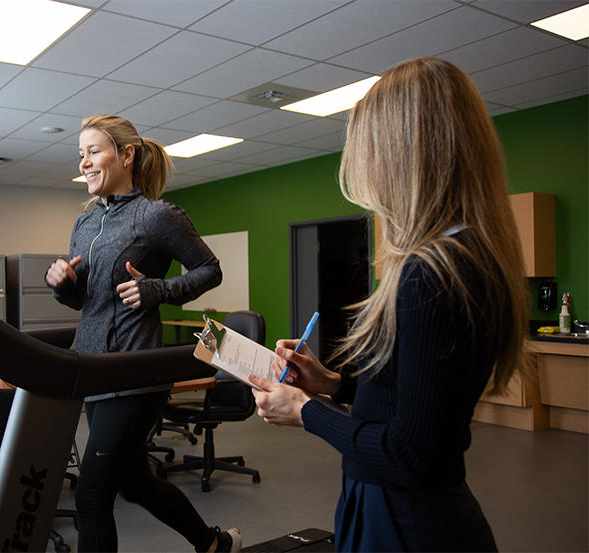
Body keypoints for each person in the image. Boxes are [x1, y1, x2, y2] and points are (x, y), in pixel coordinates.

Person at [250, 58, 528, 552]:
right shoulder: (469, 255)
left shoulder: (432, 273)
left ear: (402, 153)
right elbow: (418, 397)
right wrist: (334, 383)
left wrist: (306, 410)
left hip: (404, 520)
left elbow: (412, 455)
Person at [45, 114, 240, 552]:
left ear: (126, 154)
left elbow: (210, 270)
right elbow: (85, 302)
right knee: (135, 484)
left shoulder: (155, 215)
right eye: (81, 154)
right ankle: (213, 544)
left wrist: (158, 290)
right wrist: (63, 284)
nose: (84, 162)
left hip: (134, 375)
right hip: (94, 373)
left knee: (92, 496)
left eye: (93, 151)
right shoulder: (85, 224)